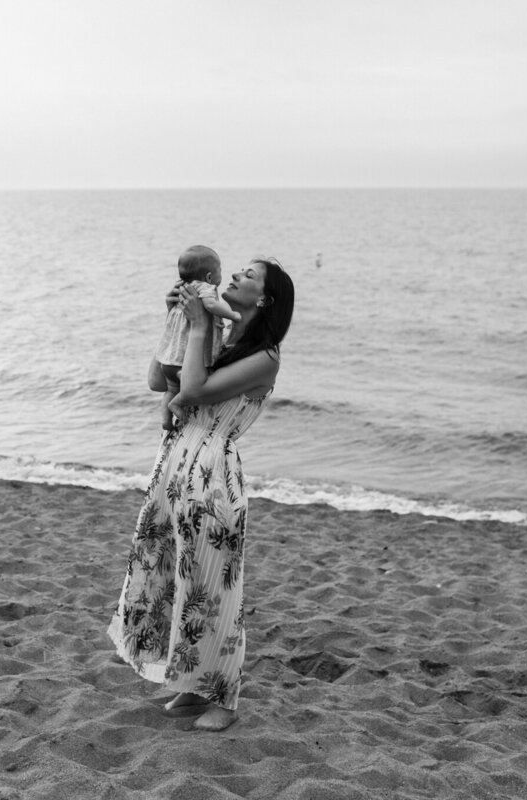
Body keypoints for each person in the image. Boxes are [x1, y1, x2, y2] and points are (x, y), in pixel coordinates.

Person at [108, 257, 295, 732]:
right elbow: (159, 381)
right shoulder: (220, 335)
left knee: (212, 591)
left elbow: (192, 390)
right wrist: (175, 321)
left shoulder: (266, 356)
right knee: (175, 582)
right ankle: (191, 688)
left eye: (248, 276)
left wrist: (195, 328)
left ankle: (224, 699)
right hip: (172, 466)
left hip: (212, 478)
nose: (235, 276)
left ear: (265, 299)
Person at [151, 245, 242, 430]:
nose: (233, 276)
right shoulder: (205, 288)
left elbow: (156, 383)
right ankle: (176, 403)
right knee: (195, 382)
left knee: (170, 390)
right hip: (181, 366)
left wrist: (172, 316)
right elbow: (212, 305)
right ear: (209, 277)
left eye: (248, 275)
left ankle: (166, 421)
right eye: (221, 271)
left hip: (168, 361)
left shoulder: (184, 289)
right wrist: (233, 315)